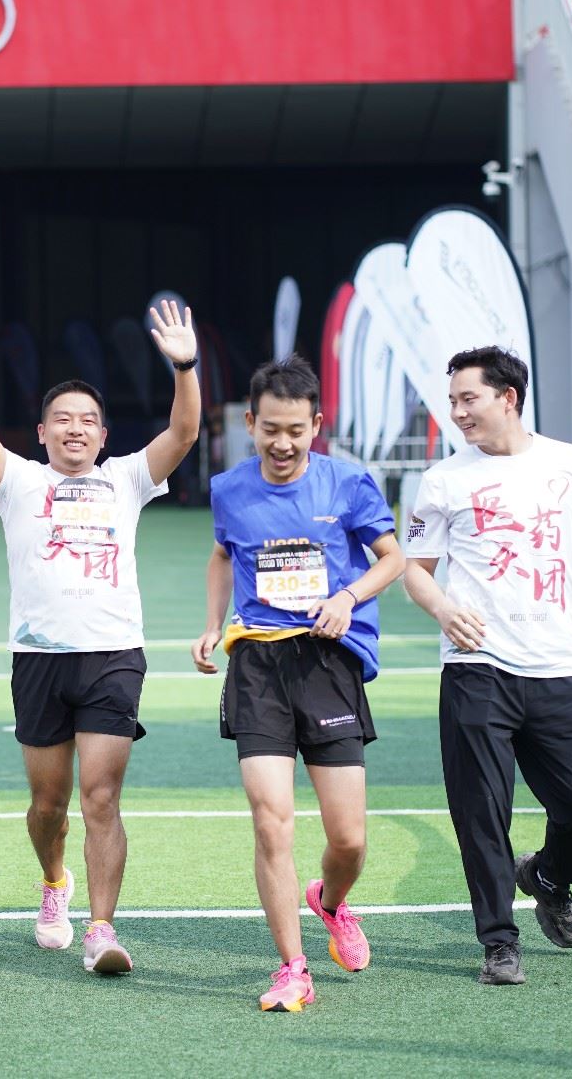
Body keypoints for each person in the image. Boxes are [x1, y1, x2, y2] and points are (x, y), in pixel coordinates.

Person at [0, 295, 200, 974]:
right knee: (48, 805)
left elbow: (185, 432)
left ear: (104, 436)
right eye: (63, 420)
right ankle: (54, 883)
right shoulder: (16, 480)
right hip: (39, 659)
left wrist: (185, 367)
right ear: (42, 432)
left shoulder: (127, 478)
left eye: (88, 421)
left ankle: (102, 930)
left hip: (113, 657)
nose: (76, 429)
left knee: (101, 797)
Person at [401, 346, 572, 986]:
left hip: (558, 665)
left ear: (509, 398)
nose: (457, 412)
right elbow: (416, 570)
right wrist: (443, 608)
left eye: (469, 399)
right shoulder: (444, 479)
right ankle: (499, 942)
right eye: (453, 401)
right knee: (482, 812)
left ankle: (549, 875)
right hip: (476, 667)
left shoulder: (569, 464)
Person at [191, 356, 403, 1012]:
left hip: (328, 663)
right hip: (257, 664)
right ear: (250, 424)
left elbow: (392, 558)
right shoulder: (229, 489)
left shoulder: (348, 484)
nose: (282, 443)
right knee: (271, 823)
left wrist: (347, 597)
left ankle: (331, 902)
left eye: (295, 430)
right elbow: (222, 553)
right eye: (270, 429)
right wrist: (212, 624)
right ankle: (292, 967)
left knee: (349, 839)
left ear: (316, 425)